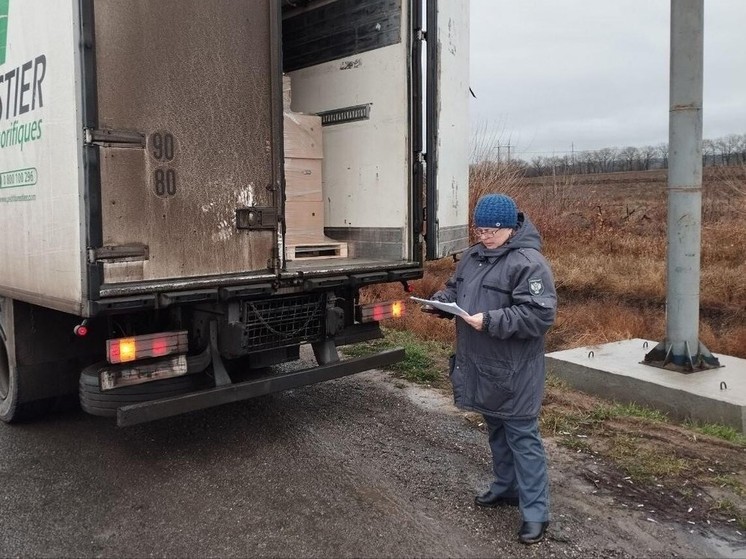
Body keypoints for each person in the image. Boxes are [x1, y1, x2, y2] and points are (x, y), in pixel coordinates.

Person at [426, 193, 557, 545]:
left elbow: (540, 315)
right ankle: (505, 488)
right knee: (496, 429)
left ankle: (535, 513)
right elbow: (455, 289)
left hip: (514, 370)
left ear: (511, 229)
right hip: (480, 364)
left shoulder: (529, 263)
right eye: (480, 229)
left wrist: (491, 321)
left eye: (492, 231)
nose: (484, 236)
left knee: (522, 439)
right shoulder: (472, 256)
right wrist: (440, 304)